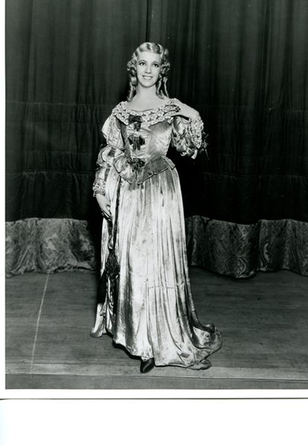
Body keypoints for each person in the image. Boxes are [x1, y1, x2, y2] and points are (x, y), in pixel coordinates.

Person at [90, 42, 222, 373]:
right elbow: (109, 152)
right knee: (133, 262)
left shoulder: (170, 108)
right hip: (126, 193)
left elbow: (192, 148)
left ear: (161, 70)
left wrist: (191, 113)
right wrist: (100, 191)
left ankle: (159, 338)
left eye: (155, 65)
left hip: (161, 190)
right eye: (143, 64)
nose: (148, 70)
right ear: (133, 68)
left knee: (157, 261)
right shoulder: (120, 111)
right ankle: (137, 337)